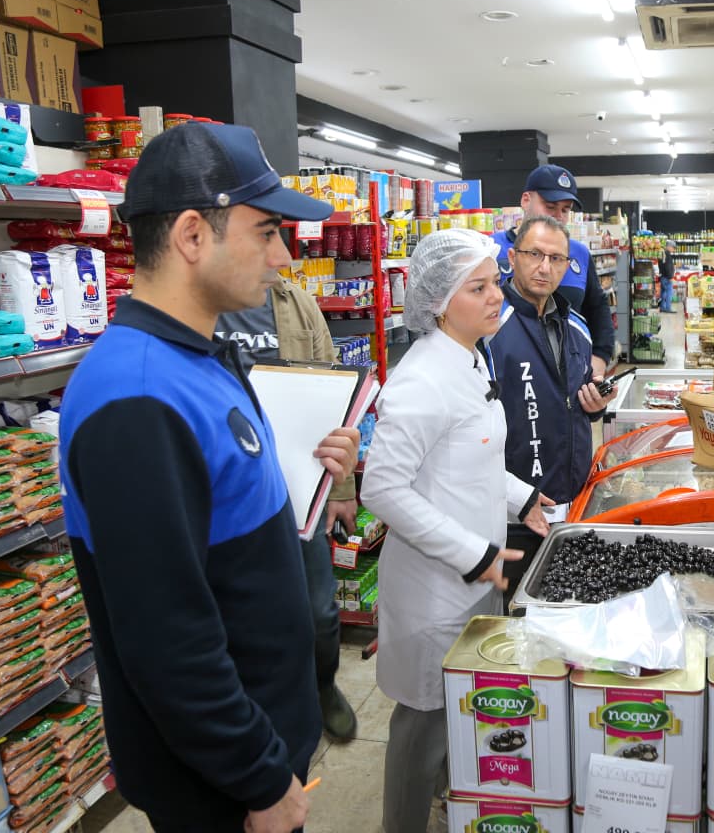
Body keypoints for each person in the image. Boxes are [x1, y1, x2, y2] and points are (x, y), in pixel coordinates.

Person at [59, 122, 360, 833]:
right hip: (221, 789)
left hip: (255, 752)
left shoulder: (197, 358)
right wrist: (259, 777)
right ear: (193, 235)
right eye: (267, 232)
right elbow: (167, 639)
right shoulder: (137, 398)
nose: (283, 257)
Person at [359, 228, 551, 833]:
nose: (497, 297)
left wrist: (523, 499)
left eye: (495, 283)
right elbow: (382, 490)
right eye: (479, 287)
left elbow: (471, 457)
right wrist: (474, 554)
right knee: (422, 730)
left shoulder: (469, 358)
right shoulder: (421, 381)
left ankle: (452, 808)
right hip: (435, 592)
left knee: (456, 719)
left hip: (474, 579)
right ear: (440, 302)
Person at [215, 277, 360, 743]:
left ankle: (323, 686)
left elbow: (333, 390)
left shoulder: (293, 301)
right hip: (227, 490)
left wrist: (340, 487)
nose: (278, 254)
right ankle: (256, 712)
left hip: (297, 485)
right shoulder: (198, 302)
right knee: (238, 615)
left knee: (318, 610)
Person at [486, 215, 610, 507]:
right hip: (515, 505)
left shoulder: (578, 328)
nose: (545, 267)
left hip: (573, 497)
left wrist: (595, 406)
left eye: (556, 259)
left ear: (566, 266)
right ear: (512, 258)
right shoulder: (488, 326)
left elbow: (571, 404)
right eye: (535, 254)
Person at [491, 163, 615, 379]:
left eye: (565, 210)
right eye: (550, 206)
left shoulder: (579, 253)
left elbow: (597, 307)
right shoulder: (490, 249)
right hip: (508, 374)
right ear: (526, 200)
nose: (558, 215)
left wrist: (600, 357)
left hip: (569, 373)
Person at [659, 245, 676, 313]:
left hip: (663, 277)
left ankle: (662, 307)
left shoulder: (662, 254)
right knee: (669, 293)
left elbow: (663, 265)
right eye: (673, 247)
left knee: (663, 292)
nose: (674, 249)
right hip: (667, 277)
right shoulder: (667, 254)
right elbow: (667, 266)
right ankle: (668, 308)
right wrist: (670, 277)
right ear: (669, 247)